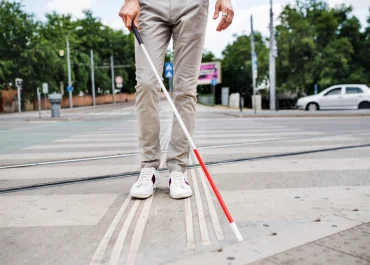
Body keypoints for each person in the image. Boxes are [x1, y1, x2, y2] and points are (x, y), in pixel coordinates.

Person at [119, 0, 234, 199]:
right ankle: (149, 167)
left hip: (193, 5)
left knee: (186, 89)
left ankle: (177, 170)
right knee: (147, 83)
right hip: (150, 5)